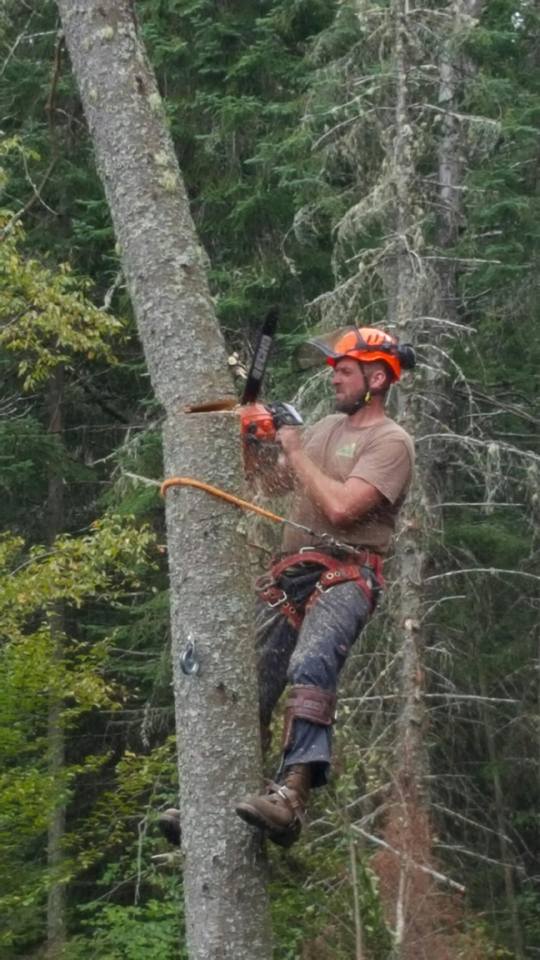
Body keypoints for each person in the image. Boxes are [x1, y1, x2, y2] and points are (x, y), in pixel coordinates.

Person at [159, 325, 415, 850]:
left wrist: (294, 447)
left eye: (343, 372)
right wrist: (255, 444)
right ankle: (211, 798)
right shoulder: (321, 430)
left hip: (347, 572)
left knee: (311, 664)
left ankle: (292, 796)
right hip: (290, 574)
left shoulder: (390, 442)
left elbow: (343, 507)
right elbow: (271, 483)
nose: (334, 381)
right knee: (243, 677)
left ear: (375, 378)